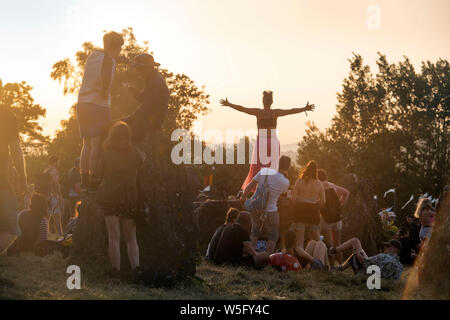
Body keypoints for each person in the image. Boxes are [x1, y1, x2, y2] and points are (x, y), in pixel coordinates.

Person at [220, 91, 315, 191]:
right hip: (273, 142)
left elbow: (243, 109)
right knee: (273, 167)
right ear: (272, 102)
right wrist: (304, 108)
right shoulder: (275, 113)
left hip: (261, 142)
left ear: (263, 101)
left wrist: (229, 104)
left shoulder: (258, 112)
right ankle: (272, 188)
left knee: (257, 168)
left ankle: (255, 190)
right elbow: (290, 111)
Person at [77, 31, 125, 193]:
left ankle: (84, 180)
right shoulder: (109, 60)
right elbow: (106, 73)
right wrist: (105, 90)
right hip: (98, 104)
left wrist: (121, 59)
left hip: (83, 103)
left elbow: (105, 58)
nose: (119, 52)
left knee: (86, 144)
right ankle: (94, 181)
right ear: (115, 47)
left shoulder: (93, 56)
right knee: (97, 143)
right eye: (119, 48)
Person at [96, 121, 142, 277]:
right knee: (131, 238)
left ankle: (116, 271)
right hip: (130, 197)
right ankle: (136, 269)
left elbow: (99, 174)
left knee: (113, 237)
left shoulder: (106, 153)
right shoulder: (136, 153)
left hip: (109, 197)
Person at [241, 156, 291, 254]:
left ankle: (252, 255)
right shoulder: (285, 182)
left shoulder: (264, 171)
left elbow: (249, 186)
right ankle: (267, 257)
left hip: (256, 208)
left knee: (254, 232)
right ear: (288, 167)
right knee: (272, 235)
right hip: (271, 211)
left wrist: (243, 197)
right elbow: (284, 195)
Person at [0, 106, 27, 255]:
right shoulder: (6, 115)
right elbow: (16, 150)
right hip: (1, 181)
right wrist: (23, 178)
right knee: (12, 229)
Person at [125, 53, 169, 143]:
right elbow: (148, 100)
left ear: (146, 68)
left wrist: (131, 118)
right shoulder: (153, 79)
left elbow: (147, 107)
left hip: (149, 123)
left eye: (139, 69)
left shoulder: (154, 82)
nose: (137, 71)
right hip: (150, 121)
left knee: (117, 129)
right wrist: (135, 93)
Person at [330, 237, 403, 280]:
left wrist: (358, 253)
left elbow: (364, 262)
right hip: (377, 279)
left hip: (366, 277)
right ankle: (340, 267)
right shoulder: (400, 267)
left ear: (393, 249)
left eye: (387, 247)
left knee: (355, 241)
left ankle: (332, 251)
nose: (385, 248)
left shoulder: (383, 257)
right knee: (361, 250)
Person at [317, 169, 350, 266]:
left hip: (326, 219)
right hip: (337, 218)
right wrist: (340, 204)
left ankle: (332, 266)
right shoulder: (332, 185)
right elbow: (347, 192)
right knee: (338, 244)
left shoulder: (319, 186)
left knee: (330, 245)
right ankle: (340, 265)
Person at [291, 160, 325, 249]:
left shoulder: (299, 181)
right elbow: (323, 201)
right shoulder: (319, 184)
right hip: (313, 211)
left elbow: (293, 198)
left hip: (300, 210)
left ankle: (300, 261)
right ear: (316, 171)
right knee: (317, 239)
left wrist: (296, 206)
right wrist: (317, 207)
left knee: (299, 240)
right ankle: (321, 258)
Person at [44, 156, 63, 236]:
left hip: (46, 197)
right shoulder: (54, 171)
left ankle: (45, 236)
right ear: (54, 162)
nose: (59, 163)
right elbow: (56, 184)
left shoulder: (46, 170)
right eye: (58, 161)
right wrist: (60, 194)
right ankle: (61, 236)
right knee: (57, 218)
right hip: (53, 197)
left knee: (46, 218)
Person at [66, 157, 83, 226]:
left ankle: (71, 229)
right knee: (76, 215)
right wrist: (84, 195)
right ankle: (75, 229)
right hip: (76, 196)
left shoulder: (72, 171)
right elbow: (77, 187)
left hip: (71, 196)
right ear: (78, 164)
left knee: (72, 214)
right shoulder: (76, 173)